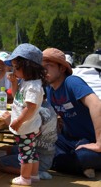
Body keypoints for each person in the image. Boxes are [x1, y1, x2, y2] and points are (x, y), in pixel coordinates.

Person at [42, 48, 101, 178]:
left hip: (91, 140)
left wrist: (99, 143)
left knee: (83, 157)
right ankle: (80, 167)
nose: (44, 70)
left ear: (62, 69)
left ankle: (78, 164)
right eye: (42, 66)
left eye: (49, 65)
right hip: (73, 140)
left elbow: (96, 104)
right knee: (39, 145)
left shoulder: (72, 82)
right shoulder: (49, 89)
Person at [4, 43, 46, 186]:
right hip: (28, 126)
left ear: (29, 66)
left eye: (16, 67)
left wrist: (18, 121)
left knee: (25, 154)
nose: (13, 70)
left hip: (26, 127)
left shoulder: (33, 86)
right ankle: (33, 175)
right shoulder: (26, 83)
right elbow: (17, 98)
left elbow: (30, 108)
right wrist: (14, 83)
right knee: (31, 152)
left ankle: (25, 178)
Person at [0, 98, 58, 180]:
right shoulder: (47, 106)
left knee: (1, 163)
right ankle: (34, 172)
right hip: (47, 154)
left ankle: (34, 173)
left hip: (38, 157)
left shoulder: (37, 112)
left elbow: (27, 136)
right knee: (9, 150)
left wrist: (10, 123)